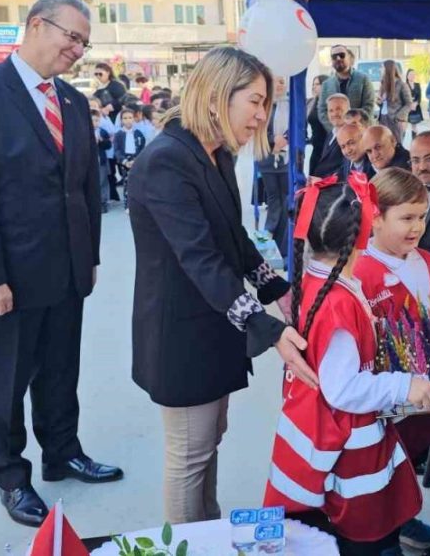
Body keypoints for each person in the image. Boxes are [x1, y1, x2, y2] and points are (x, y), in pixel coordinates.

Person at [0, 0, 120, 528]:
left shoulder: (69, 100)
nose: (78, 49)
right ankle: (11, 477)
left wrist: (87, 256)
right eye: (72, 36)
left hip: (65, 270)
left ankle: (62, 452)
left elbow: (86, 186)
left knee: (61, 371)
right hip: (7, 278)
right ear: (37, 25)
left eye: (84, 42)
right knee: (6, 381)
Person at [127, 45, 316, 525]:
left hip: (215, 323)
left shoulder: (214, 153)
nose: (261, 116)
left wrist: (277, 288)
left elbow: (233, 237)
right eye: (255, 102)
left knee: (209, 441)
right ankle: (188, 542)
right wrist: (268, 329)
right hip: (181, 334)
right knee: (190, 455)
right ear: (216, 96)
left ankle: (206, 531)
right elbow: (201, 259)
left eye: (266, 104)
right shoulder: (167, 161)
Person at [263, 174, 430, 556]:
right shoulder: (340, 300)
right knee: (366, 538)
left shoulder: (317, 281)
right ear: (364, 230)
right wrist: (403, 384)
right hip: (350, 452)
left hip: (326, 437)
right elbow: (342, 388)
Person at [355, 167, 430, 552]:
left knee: (405, 458)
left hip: (421, 394)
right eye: (406, 218)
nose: (417, 227)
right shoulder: (360, 273)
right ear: (375, 217)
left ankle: (403, 515)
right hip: (380, 396)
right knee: (375, 466)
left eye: (422, 216)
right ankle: (382, 535)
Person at [256, 77, 291, 261]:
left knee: (286, 201)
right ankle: (269, 239)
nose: (279, 85)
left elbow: (297, 127)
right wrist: (273, 141)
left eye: (282, 82)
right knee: (274, 200)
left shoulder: (290, 104)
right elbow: (259, 129)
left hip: (286, 159)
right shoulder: (265, 105)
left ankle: (282, 244)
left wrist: (284, 140)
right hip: (267, 158)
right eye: (276, 81)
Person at [317, 44, 376, 124]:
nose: (338, 58)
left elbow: (369, 106)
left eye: (342, 55)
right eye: (334, 56)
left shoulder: (363, 79)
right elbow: (322, 111)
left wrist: (354, 125)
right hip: (336, 133)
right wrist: (336, 129)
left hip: (360, 131)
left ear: (349, 58)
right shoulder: (326, 84)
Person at [112, 108, 146, 210]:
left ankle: (139, 203)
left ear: (134, 119)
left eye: (130, 118)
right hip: (125, 160)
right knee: (127, 182)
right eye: (125, 118)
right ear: (121, 120)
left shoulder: (138, 133)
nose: (128, 120)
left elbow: (142, 147)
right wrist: (124, 161)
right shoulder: (119, 134)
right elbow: (117, 150)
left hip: (136, 158)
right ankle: (128, 204)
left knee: (138, 181)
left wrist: (137, 159)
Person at [311, 93, 352, 178]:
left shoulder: (351, 137)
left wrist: (322, 181)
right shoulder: (331, 134)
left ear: (348, 111)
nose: (334, 114)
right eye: (331, 110)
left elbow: (346, 170)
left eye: (339, 109)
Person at [378, 59, 413, 141]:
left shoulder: (402, 85)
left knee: (396, 144)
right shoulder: (383, 83)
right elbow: (384, 103)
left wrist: (399, 117)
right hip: (383, 118)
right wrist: (379, 102)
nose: (380, 70)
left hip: (395, 120)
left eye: (382, 68)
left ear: (388, 69)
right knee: (384, 144)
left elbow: (409, 103)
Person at [90, 99, 112, 214]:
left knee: (103, 181)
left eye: (97, 120)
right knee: (92, 182)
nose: (94, 123)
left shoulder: (102, 132)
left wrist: (102, 141)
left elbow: (108, 145)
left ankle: (104, 202)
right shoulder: (84, 131)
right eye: (92, 120)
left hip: (101, 160)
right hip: (89, 161)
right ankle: (94, 202)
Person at [337, 114, 373, 180]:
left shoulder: (374, 161)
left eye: (351, 143)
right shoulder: (347, 161)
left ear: (364, 139)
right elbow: (339, 176)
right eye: (343, 147)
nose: (348, 150)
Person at [306, 75, 328, 176]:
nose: (314, 87)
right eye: (313, 84)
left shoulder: (329, 103)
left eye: (317, 84)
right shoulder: (311, 102)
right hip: (315, 146)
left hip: (327, 146)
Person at [406, 69, 425, 133]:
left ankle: (414, 139)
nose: (412, 76)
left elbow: (419, 97)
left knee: (414, 125)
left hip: (415, 107)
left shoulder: (417, 85)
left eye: (413, 74)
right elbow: (403, 96)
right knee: (405, 125)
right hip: (406, 107)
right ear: (407, 76)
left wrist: (416, 104)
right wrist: (409, 104)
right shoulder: (404, 85)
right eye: (410, 74)